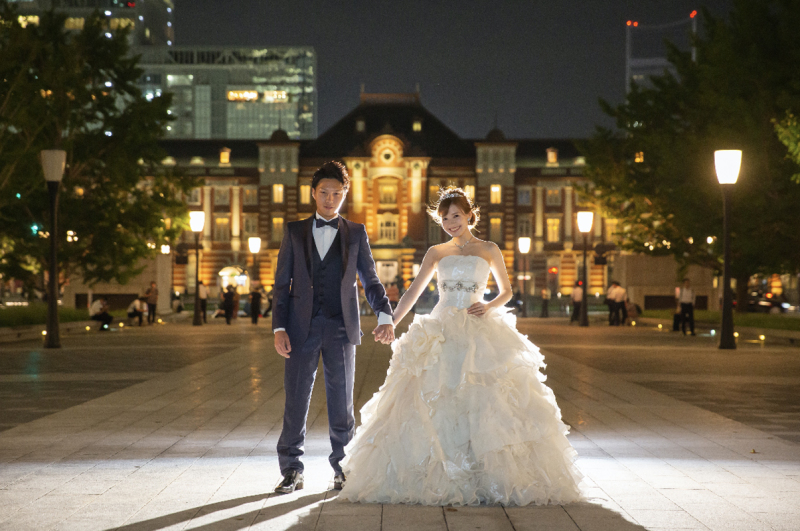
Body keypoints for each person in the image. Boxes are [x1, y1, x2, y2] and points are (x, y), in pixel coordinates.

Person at [339, 186, 583, 506]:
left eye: (456, 216)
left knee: (484, 396)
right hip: (442, 325)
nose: (450, 223)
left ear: (469, 214)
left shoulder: (489, 249)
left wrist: (490, 306)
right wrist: (390, 321)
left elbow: (507, 291)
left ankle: (486, 472)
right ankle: (436, 469)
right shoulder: (437, 252)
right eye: (444, 218)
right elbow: (413, 291)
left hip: (478, 324)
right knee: (438, 393)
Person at [272, 161, 394, 495]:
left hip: (341, 328)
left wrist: (385, 314)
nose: (329, 198)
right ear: (313, 193)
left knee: (342, 404)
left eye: (336, 193)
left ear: (344, 194)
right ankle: (291, 470)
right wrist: (278, 327)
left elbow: (370, 279)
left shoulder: (355, 233)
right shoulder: (294, 232)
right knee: (296, 401)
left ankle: (343, 469)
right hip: (300, 329)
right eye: (324, 192)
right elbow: (282, 284)